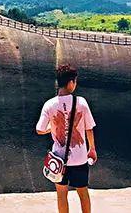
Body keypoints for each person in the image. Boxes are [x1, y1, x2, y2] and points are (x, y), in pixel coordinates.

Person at [36, 64, 97, 213]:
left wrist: (54, 127)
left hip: (58, 160)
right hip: (80, 158)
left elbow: (40, 129)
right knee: (83, 193)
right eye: (75, 81)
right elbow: (89, 127)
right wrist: (92, 149)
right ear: (71, 83)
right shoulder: (81, 102)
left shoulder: (49, 105)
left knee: (62, 194)